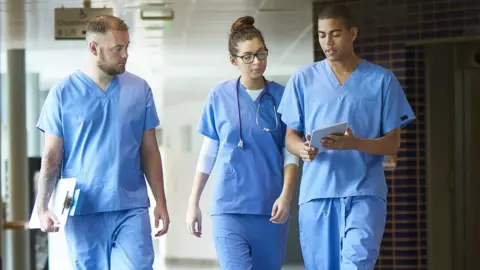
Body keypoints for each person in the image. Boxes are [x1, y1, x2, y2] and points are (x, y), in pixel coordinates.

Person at [278, 3, 416, 270]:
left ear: (352, 33)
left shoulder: (381, 80)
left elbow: (393, 143)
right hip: (317, 194)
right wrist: (303, 150)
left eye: (335, 34)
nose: (327, 42)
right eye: (321, 35)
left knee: (357, 264)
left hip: (364, 192)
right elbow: (290, 138)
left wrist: (354, 143)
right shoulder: (303, 79)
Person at [35, 15, 170, 270]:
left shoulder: (139, 90)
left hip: (131, 206)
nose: (125, 54)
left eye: (127, 46)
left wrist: (160, 201)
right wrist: (42, 207)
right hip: (82, 208)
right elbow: (52, 156)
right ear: (94, 49)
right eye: (117, 48)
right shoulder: (62, 94)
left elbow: (150, 151)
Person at [185, 16, 299, 270]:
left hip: (270, 208)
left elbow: (289, 152)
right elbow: (209, 151)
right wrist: (194, 202)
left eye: (261, 53)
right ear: (233, 61)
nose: (256, 62)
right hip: (228, 208)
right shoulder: (219, 96)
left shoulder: (282, 96)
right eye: (247, 56)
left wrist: (286, 196)